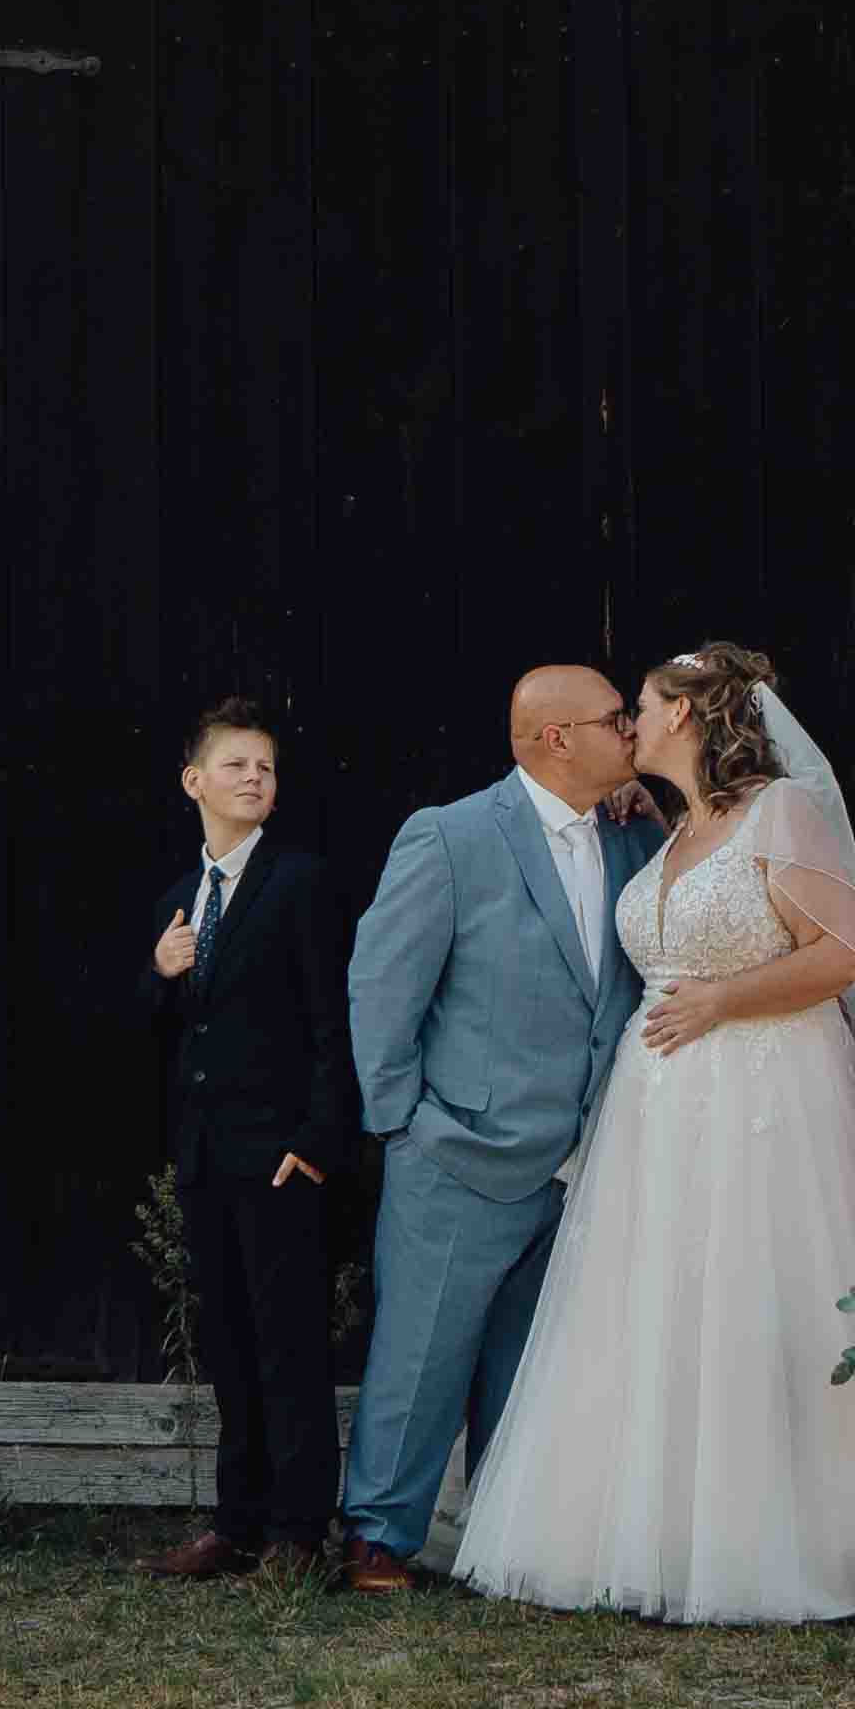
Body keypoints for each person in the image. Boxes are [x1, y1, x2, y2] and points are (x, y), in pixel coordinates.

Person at [451, 644, 855, 1626]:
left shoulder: (781, 812)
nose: (628, 721)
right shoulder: (673, 825)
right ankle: (647, 1532)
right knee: (651, 1306)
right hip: (657, 1109)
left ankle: (771, 1541)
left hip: (763, 1094)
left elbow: (841, 954)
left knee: (755, 1298)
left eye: (640, 704)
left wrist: (722, 998)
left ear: (683, 715)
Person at [334, 660, 653, 1594]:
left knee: (538, 1364)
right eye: (615, 718)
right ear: (557, 739)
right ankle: (378, 1536)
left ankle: (507, 1540)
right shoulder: (451, 836)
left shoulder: (633, 837)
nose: (631, 729)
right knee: (421, 1354)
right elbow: (381, 983)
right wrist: (404, 1123)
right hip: (458, 1150)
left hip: (587, 1157)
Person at [144, 698, 356, 1578]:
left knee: (289, 1344)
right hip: (206, 1157)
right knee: (228, 1343)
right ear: (194, 781)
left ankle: (298, 1532)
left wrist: (317, 1140)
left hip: (280, 1160)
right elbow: (174, 1033)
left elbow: (334, 1021)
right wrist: (158, 974)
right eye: (236, 764)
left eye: (265, 767)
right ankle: (235, 1524)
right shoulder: (180, 900)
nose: (254, 778)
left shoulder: (299, 881)